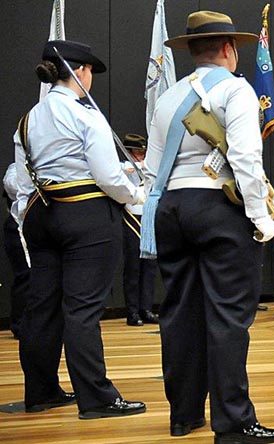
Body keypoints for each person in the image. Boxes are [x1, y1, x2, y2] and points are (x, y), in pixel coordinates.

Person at [144, 11, 274, 442]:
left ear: (192, 51)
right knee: (227, 317)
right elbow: (245, 159)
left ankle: (183, 415)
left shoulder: (167, 97)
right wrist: (261, 219)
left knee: (180, 314)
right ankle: (235, 423)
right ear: (228, 48)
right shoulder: (235, 89)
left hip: (171, 207)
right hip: (218, 207)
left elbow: (151, 168)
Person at [13, 40, 146, 418]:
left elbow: (21, 181)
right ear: (80, 72)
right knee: (83, 308)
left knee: (43, 307)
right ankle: (97, 398)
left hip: (43, 214)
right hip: (87, 216)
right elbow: (107, 176)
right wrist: (134, 195)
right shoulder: (87, 116)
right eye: (89, 72)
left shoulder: (28, 119)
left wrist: (29, 216)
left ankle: (40, 392)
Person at [119, 134, 158, 327]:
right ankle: (132, 311)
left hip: (148, 214)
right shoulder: (123, 167)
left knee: (149, 266)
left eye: (143, 153)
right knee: (133, 267)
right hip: (132, 215)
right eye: (137, 153)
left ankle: (146, 308)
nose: (141, 156)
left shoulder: (149, 165)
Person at [3, 163, 29, 340]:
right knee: (26, 276)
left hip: (42, 226)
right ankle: (20, 325)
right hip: (19, 226)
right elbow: (11, 185)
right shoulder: (16, 168)